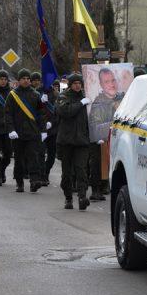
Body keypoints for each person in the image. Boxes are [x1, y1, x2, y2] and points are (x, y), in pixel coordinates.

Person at [5, 69, 47, 193]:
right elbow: (8, 114)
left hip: (33, 132)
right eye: (23, 78)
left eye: (28, 79)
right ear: (19, 80)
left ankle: (34, 181)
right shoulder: (12, 95)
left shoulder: (35, 94)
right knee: (19, 159)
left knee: (33, 157)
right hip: (17, 133)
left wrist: (43, 129)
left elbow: (41, 114)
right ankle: (19, 182)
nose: (26, 80)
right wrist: (11, 130)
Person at [87, 68, 124, 201]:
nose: (111, 84)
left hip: (120, 140)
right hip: (101, 141)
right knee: (97, 164)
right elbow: (95, 128)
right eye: (107, 81)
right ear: (102, 85)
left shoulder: (124, 98)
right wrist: (114, 121)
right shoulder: (98, 103)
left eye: (113, 80)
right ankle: (96, 189)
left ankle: (107, 186)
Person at [56, 73, 91, 210]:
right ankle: (68, 197)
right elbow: (65, 111)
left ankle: (82, 196)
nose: (77, 85)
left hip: (82, 141)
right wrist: (80, 104)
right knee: (67, 172)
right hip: (66, 141)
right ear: (70, 85)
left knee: (81, 169)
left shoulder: (86, 97)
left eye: (79, 83)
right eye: (75, 83)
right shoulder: (63, 97)